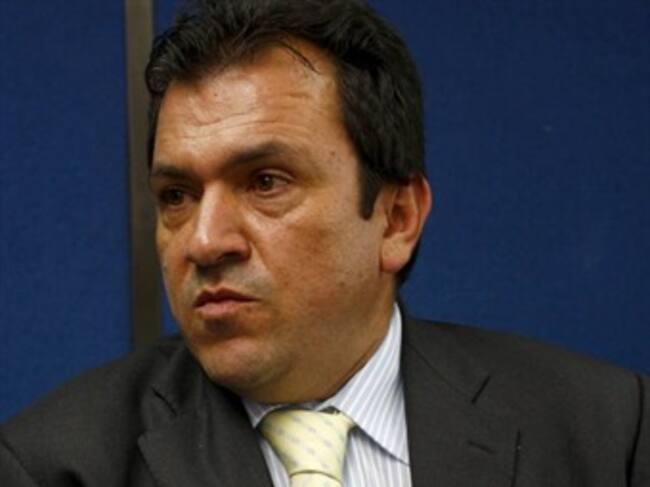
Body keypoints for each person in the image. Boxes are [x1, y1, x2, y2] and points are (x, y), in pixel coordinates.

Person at [1, 0, 648, 485]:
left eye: (266, 182)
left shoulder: (603, 431)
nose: (203, 240)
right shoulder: (56, 465)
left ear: (397, 218)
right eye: (177, 195)